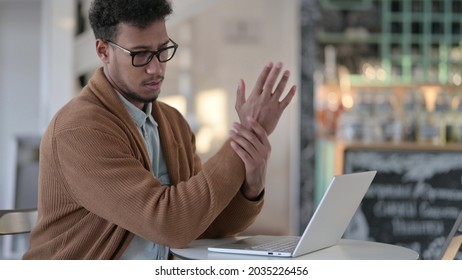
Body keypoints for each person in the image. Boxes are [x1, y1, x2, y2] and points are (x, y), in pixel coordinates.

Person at [23, 0, 296, 260]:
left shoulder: (172, 123)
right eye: (140, 54)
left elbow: (203, 223)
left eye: (162, 50)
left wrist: (252, 183)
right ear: (103, 51)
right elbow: (169, 223)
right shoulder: (78, 130)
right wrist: (243, 138)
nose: (156, 68)